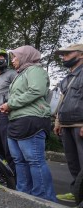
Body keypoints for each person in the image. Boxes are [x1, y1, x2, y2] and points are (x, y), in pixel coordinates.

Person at [0, 45, 56, 202]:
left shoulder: (35, 70)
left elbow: (36, 91)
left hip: (32, 120)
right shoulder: (20, 74)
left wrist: (11, 104)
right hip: (16, 121)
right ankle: (23, 195)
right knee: (19, 160)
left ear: (25, 56)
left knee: (35, 160)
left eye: (15, 57)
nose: (13, 61)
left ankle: (44, 199)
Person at [53, 43, 83, 202]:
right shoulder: (66, 78)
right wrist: (57, 122)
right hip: (66, 125)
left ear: (81, 55)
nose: (64, 57)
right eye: (63, 54)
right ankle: (77, 192)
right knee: (73, 162)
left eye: (68, 54)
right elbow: (61, 102)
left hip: (79, 125)